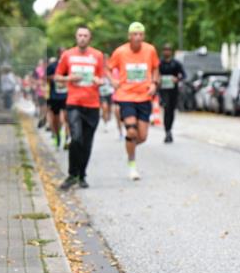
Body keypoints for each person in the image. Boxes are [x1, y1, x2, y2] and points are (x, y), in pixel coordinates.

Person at [54, 26, 106, 190]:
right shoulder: (67, 55)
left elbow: (102, 77)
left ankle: (82, 175)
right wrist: (70, 77)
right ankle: (71, 174)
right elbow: (57, 77)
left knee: (87, 142)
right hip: (74, 103)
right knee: (76, 139)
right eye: (80, 35)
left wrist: (99, 81)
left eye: (85, 35)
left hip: (92, 104)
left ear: (90, 38)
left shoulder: (97, 55)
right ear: (76, 37)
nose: (82, 38)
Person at [108, 22, 159, 181]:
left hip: (144, 97)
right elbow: (108, 68)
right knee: (131, 131)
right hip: (126, 97)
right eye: (134, 35)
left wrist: (154, 84)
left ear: (143, 36)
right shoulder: (120, 51)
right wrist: (112, 81)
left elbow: (156, 68)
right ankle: (132, 165)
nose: (137, 38)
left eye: (140, 35)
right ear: (129, 36)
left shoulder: (150, 50)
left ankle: (129, 148)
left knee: (142, 137)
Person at [157, 43, 185, 143]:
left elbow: (183, 75)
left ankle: (169, 129)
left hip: (173, 90)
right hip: (163, 91)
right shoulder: (159, 63)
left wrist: (177, 79)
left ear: (171, 52)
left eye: (168, 50)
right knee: (166, 109)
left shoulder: (176, 63)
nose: (166, 52)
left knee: (171, 111)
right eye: (165, 50)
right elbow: (154, 73)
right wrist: (158, 79)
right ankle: (167, 131)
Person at [45, 48, 69, 149]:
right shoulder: (52, 66)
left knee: (68, 116)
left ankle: (67, 137)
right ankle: (57, 134)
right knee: (55, 118)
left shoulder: (70, 64)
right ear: (58, 54)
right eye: (62, 52)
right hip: (55, 96)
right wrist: (56, 78)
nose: (64, 54)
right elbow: (46, 77)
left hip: (67, 95)